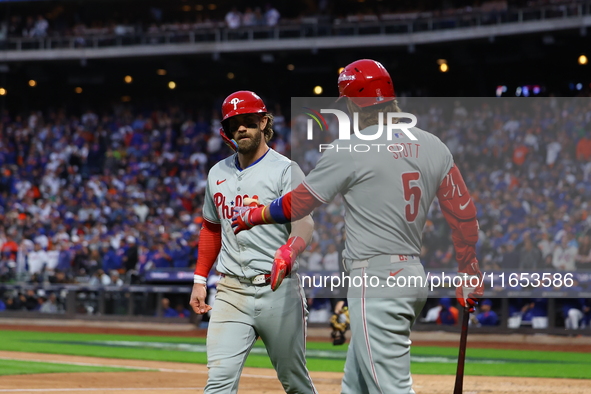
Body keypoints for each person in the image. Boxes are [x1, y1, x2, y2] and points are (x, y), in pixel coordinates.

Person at [231, 59, 483, 393]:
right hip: (411, 276)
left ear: (352, 103)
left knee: (390, 388)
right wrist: (469, 269)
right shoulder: (432, 144)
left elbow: (300, 203)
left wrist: (255, 214)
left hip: (376, 281)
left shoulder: (350, 148)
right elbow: (463, 214)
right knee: (356, 386)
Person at [189, 91, 317, 394]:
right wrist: (199, 279)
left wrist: (291, 249)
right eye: (234, 124)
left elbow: (304, 221)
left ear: (263, 122)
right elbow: (210, 228)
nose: (241, 128)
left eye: (247, 121)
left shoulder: (286, 169)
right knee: (218, 382)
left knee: (295, 382)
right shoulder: (216, 173)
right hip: (231, 291)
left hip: (278, 290)